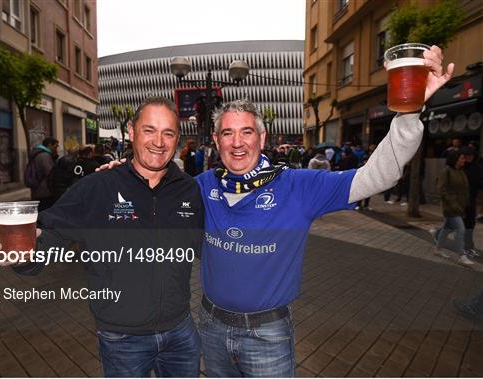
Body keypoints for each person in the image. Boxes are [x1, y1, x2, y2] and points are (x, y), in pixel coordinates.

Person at [194, 46, 453, 377]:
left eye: (246, 132)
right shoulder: (203, 185)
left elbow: (378, 175)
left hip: (266, 335)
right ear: (217, 142)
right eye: (227, 133)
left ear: (262, 137)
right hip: (210, 326)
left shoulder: (298, 185)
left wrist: (409, 113)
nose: (237, 142)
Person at [0, 97, 204, 377]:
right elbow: (51, 233)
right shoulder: (97, 187)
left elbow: (208, 245)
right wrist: (25, 256)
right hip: (122, 340)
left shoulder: (189, 189)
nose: (159, 141)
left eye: (168, 133)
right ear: (131, 131)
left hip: (181, 333)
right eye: (149, 130)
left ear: (177, 138)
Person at [433, 151, 473, 265]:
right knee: (461, 230)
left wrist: (465, 203)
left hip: (460, 206)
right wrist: (453, 203)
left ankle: (437, 249)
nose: (463, 160)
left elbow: (465, 190)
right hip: (450, 207)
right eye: (461, 158)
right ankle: (462, 255)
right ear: (455, 159)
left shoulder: (461, 172)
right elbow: (442, 190)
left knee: (447, 229)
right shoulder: (446, 171)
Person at [459, 145, 482, 259]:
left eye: (471, 155)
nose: (469, 158)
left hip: (471, 200)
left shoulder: (477, 168)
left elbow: (480, 182)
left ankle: (468, 247)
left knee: (470, 223)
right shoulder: (459, 167)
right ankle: (465, 247)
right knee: (458, 224)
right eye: (467, 156)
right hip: (459, 200)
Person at [29, 137, 59, 211]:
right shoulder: (44, 156)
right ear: (49, 145)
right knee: (44, 212)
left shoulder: (38, 153)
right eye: (55, 147)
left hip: (38, 190)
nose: (56, 149)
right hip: (44, 192)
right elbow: (50, 173)